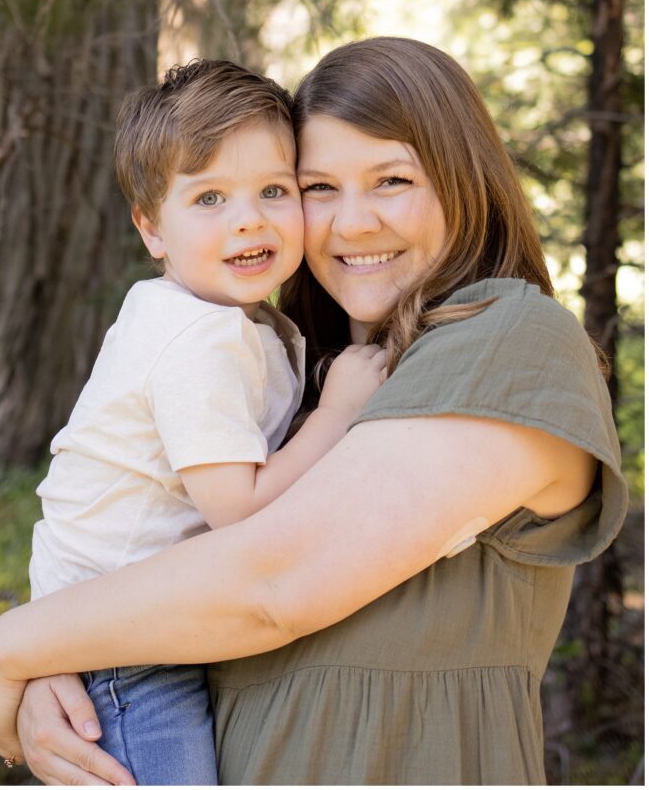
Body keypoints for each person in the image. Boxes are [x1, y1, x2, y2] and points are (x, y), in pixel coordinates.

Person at [0, 37, 627, 786]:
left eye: (391, 179)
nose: (351, 224)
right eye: (318, 187)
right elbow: (161, 566)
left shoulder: (511, 338)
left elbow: (271, 582)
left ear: (464, 178)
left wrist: (16, 645)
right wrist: (65, 677)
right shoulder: (298, 386)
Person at [22, 59, 386, 786]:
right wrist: (342, 410)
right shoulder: (197, 338)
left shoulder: (235, 322)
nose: (249, 218)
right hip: (122, 655)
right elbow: (238, 508)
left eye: (274, 191)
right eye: (210, 196)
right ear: (151, 228)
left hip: (127, 626)